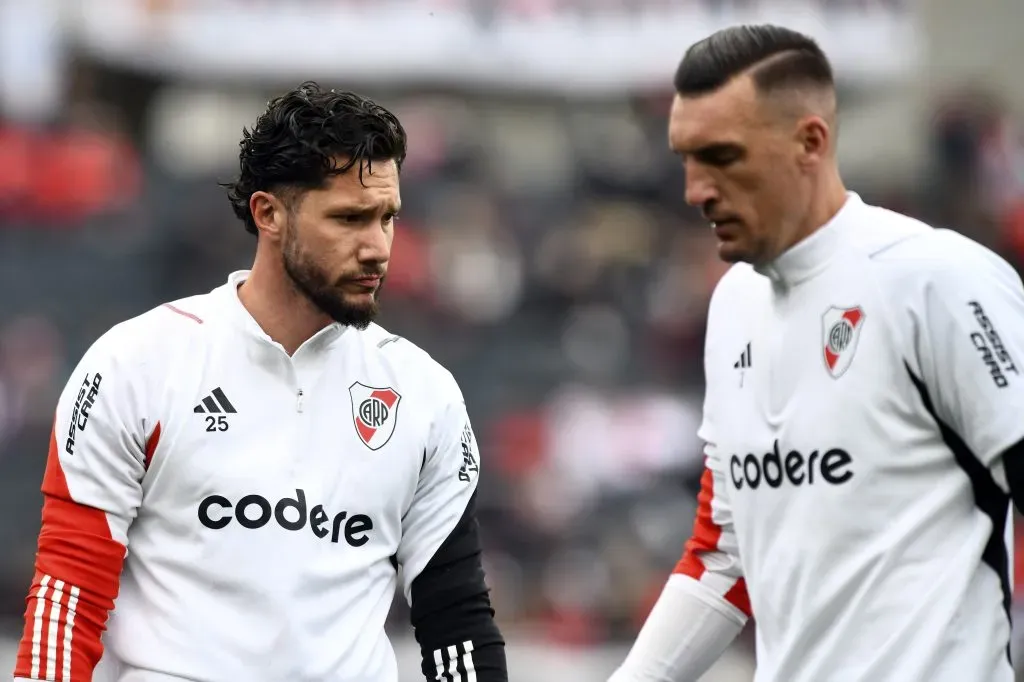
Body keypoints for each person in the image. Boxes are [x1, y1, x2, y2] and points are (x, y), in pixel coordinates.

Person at [13, 82, 507, 682]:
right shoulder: (135, 363)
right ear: (268, 213)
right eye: (350, 218)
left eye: (387, 218)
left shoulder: (425, 394)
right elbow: (69, 592)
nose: (378, 248)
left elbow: (455, 621)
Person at [610, 24, 1024, 682]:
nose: (695, 190)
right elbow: (724, 557)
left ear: (811, 142)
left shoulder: (937, 281)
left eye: (722, 156)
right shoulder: (732, 305)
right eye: (686, 158)